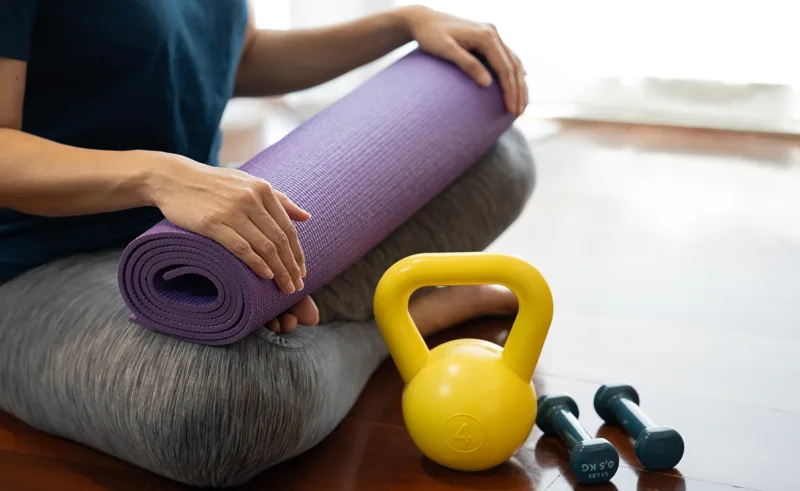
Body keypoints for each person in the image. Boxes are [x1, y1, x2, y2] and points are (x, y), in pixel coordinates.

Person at [0, 1, 535, 486]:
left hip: (196, 228)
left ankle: (284, 307)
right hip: (38, 267)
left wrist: (400, 24)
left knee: (497, 157)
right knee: (217, 409)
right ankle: (394, 323)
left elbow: (242, 56)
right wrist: (155, 178)